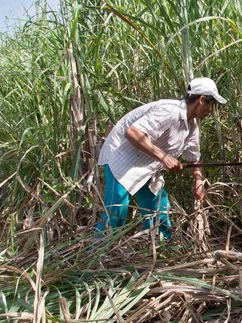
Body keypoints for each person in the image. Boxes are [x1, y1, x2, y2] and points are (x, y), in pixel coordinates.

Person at [95, 77, 227, 239]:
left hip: (147, 165)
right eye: (211, 104)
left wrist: (198, 181)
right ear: (201, 100)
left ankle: (160, 252)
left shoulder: (192, 126)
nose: (211, 110)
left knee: (158, 210)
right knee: (116, 212)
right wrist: (164, 157)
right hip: (121, 158)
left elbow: (193, 158)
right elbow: (132, 132)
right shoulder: (169, 111)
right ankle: (97, 255)